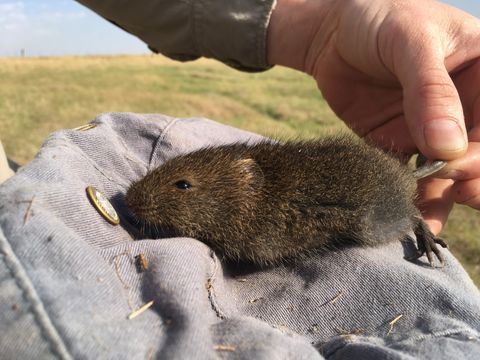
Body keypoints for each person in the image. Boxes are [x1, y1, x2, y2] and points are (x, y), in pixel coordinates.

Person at [1, 1, 479, 359]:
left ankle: (411, 221)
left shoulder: (251, 220)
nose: (147, 196)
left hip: (374, 200)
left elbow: (263, 251)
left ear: (245, 183)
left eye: (182, 187)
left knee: (381, 226)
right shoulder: (246, 194)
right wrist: (319, 25)